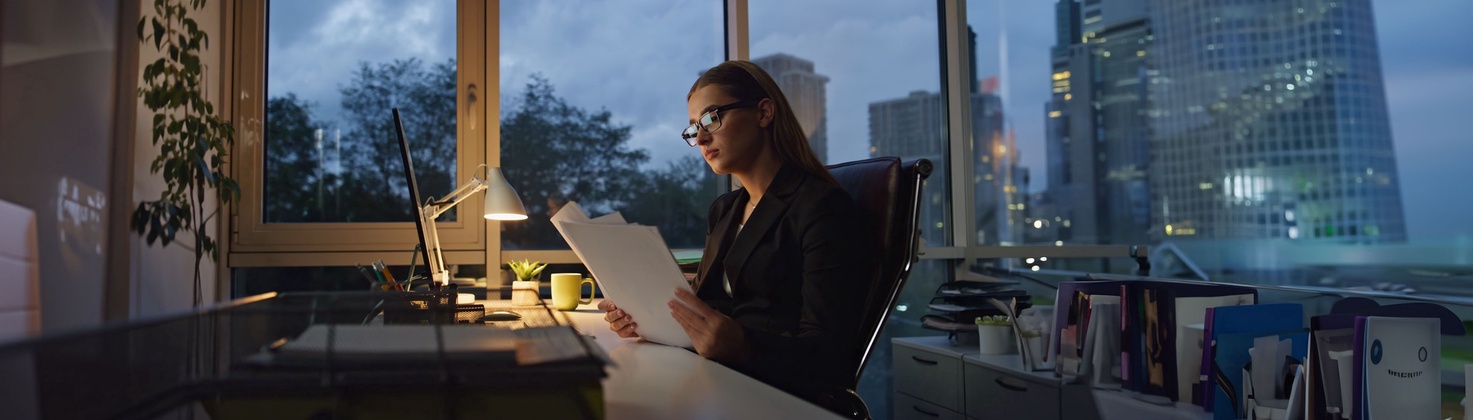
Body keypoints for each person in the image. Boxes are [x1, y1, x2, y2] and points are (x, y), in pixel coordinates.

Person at [598, 60, 879, 410]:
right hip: (715, 377)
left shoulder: (821, 206)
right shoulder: (725, 210)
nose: (700, 138)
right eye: (693, 129)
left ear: (763, 112)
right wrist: (647, 318)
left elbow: (830, 356)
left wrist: (743, 345)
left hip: (774, 395)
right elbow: (712, 303)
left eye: (712, 118)